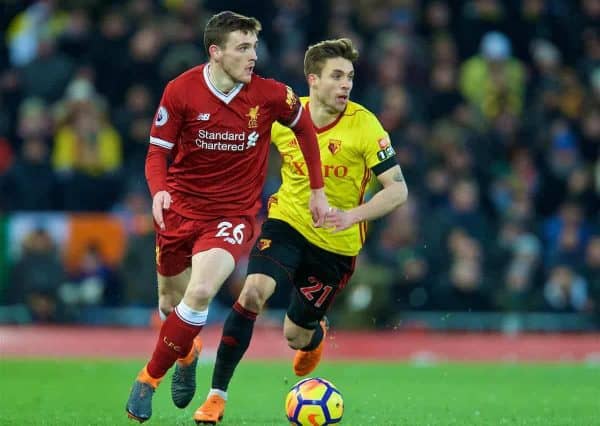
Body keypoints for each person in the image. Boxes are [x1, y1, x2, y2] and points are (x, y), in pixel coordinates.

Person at [125, 11, 329, 423]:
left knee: (200, 293)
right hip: (179, 211)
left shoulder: (270, 95)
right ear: (216, 53)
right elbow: (157, 152)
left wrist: (317, 188)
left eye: (254, 46)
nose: (253, 55)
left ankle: (147, 380)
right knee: (170, 303)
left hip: (231, 216)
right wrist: (159, 191)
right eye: (243, 47)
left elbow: (304, 128)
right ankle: (188, 352)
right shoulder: (180, 91)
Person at [193, 38, 408, 424]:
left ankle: (314, 333)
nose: (346, 85)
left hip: (337, 245)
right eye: (337, 76)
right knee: (253, 291)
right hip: (288, 222)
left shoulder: (365, 125)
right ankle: (216, 397)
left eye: (350, 77)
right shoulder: (286, 117)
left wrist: (353, 215)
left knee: (296, 335)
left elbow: (398, 189)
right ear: (313, 79)